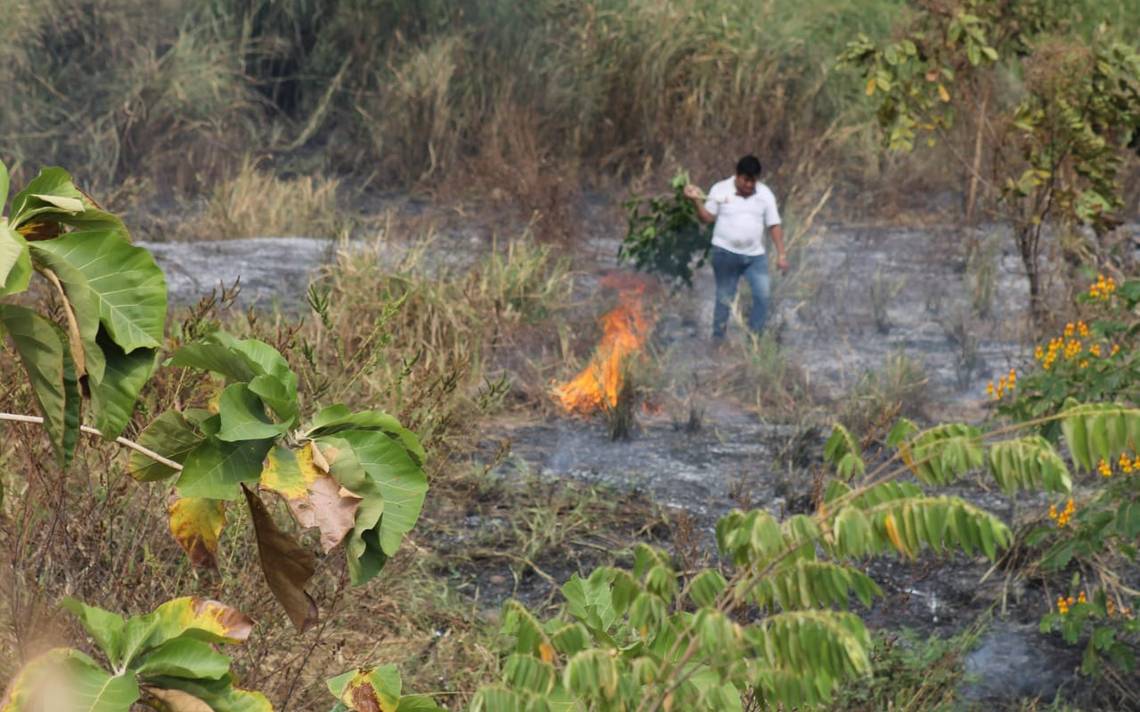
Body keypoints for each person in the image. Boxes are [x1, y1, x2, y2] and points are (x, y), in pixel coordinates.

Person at [683, 155, 788, 341]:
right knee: (725, 298)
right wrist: (696, 200)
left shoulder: (765, 194)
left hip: (755, 257)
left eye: (753, 180)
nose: (749, 185)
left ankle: (754, 340)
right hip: (725, 253)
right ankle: (718, 340)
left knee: (762, 296)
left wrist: (781, 254)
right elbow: (707, 217)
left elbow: (774, 224)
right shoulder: (720, 189)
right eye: (746, 180)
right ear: (737, 176)